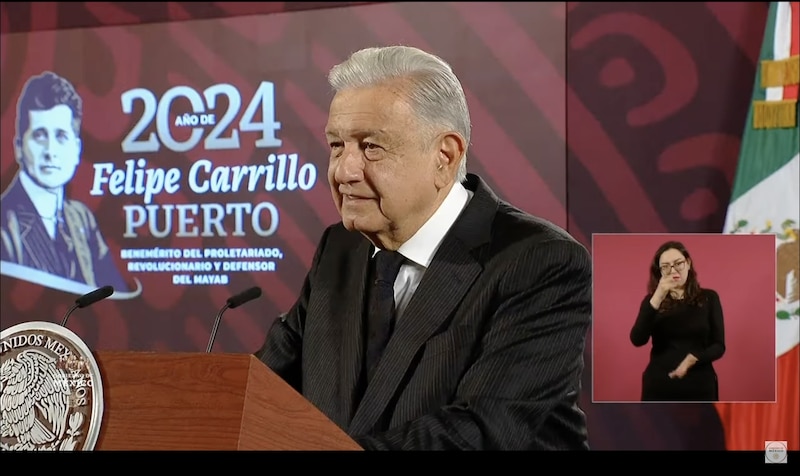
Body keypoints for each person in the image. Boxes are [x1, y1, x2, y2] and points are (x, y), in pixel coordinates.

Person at [254, 45, 592, 450]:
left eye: (371, 147)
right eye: (337, 146)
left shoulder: (540, 262)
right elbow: (261, 390)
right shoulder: (340, 248)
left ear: (444, 157)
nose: (343, 171)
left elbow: (481, 434)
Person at [0, 71, 129, 293]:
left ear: (76, 150)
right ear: (19, 147)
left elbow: (116, 298)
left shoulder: (82, 218)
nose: (50, 152)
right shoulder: (4, 224)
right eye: (39, 135)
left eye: (61, 136)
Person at [629, 241, 725, 402]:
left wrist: (693, 358)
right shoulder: (652, 301)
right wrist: (659, 294)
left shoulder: (709, 298)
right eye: (665, 267)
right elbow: (637, 340)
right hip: (660, 384)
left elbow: (719, 345)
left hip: (700, 384)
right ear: (659, 272)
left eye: (678, 264)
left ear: (688, 263)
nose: (673, 270)